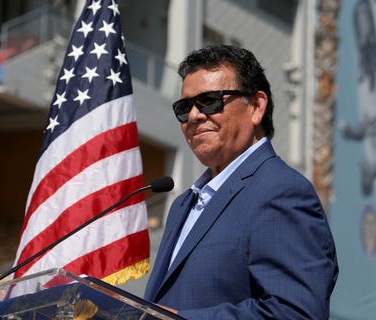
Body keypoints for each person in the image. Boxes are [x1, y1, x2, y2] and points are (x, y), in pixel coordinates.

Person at [144, 44, 338, 319]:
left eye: (210, 101)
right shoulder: (183, 204)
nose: (195, 116)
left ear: (256, 107)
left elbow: (296, 312)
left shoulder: (280, 190)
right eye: (184, 107)